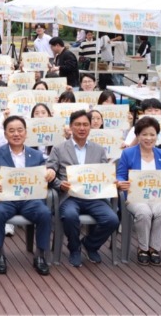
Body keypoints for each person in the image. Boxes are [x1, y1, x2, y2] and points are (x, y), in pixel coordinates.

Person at [0, 116, 55, 275]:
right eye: (12, 131)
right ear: (5, 134)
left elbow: (44, 176)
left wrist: (50, 173)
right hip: (6, 199)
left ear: (26, 133)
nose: (16, 134)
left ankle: (40, 255)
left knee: (45, 213)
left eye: (20, 130)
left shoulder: (36, 155)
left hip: (30, 200)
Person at [46, 110, 119, 268]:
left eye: (85, 124)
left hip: (94, 197)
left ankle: (90, 244)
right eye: (78, 124)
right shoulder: (59, 148)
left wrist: (112, 180)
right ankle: (74, 248)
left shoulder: (98, 149)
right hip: (69, 196)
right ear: (71, 127)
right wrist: (59, 184)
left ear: (90, 127)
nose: (82, 128)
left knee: (112, 220)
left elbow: (104, 174)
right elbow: (49, 172)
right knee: (70, 216)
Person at [116, 117, 161, 266]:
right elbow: (120, 175)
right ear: (137, 135)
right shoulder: (128, 153)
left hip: (157, 196)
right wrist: (120, 182)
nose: (149, 138)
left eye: (152, 134)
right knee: (144, 212)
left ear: (157, 136)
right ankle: (143, 248)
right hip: (135, 196)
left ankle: (154, 248)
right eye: (144, 134)